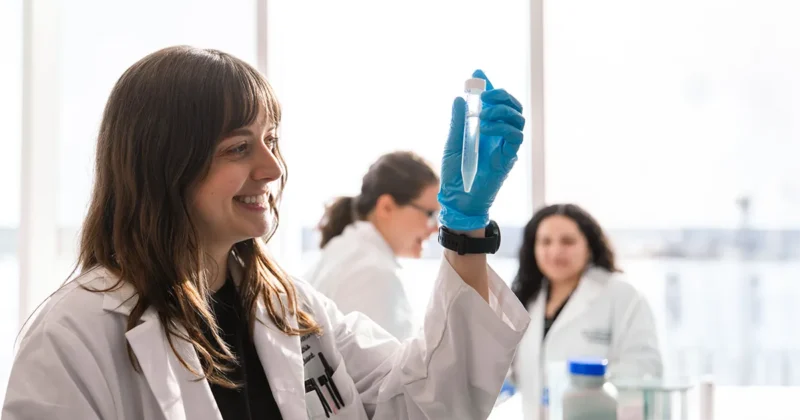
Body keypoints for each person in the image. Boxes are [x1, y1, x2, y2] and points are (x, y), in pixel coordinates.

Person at [2, 46, 530, 420]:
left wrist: (463, 233)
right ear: (164, 165)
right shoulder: (73, 336)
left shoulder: (289, 307)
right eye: (239, 147)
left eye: (271, 139)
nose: (272, 167)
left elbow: (421, 406)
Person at [510, 204, 663, 420]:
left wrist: (593, 383)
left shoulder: (622, 295)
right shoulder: (527, 300)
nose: (555, 251)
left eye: (568, 241)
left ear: (589, 246)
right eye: (545, 241)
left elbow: (646, 368)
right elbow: (509, 372)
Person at [306, 151, 439, 340]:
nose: (435, 229)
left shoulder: (347, 249)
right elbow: (382, 368)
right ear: (386, 207)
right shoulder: (372, 273)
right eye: (429, 214)